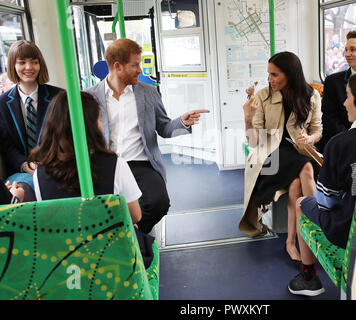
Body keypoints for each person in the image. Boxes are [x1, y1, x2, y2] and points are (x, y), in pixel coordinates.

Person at [86, 38, 209, 234]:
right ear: (117, 66)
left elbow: (165, 128)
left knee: (159, 203)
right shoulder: (89, 96)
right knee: (99, 211)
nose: (140, 70)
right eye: (135, 65)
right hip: (106, 163)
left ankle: (132, 237)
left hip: (141, 162)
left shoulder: (149, 93)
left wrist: (183, 122)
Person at [288, 69, 356, 296]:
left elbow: (325, 204)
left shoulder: (339, 144)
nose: (344, 103)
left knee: (302, 202)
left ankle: (309, 279)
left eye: (347, 96)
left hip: (348, 233)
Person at [240, 51, 322, 263]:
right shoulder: (262, 96)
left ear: (291, 74)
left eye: (275, 75)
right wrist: (248, 119)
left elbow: (317, 130)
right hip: (271, 153)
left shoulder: (312, 96)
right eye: (269, 75)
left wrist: (310, 139)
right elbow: (254, 143)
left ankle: (291, 243)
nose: (270, 80)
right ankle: (318, 229)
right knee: (306, 169)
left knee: (296, 187)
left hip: (299, 150)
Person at [29, 91, 142, 224]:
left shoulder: (40, 174)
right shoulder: (115, 165)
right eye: (99, 119)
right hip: (109, 242)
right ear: (91, 127)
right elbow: (135, 215)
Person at [0, 40, 61, 192]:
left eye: (34, 62)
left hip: (56, 167)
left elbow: (65, 137)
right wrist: (25, 165)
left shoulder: (58, 97)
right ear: (13, 66)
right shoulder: (3, 103)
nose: (29, 67)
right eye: (22, 62)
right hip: (21, 171)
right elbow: (6, 146)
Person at [316, 30, 356, 153]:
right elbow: (329, 118)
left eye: (352, 49)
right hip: (343, 140)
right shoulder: (333, 81)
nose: (347, 54)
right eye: (346, 50)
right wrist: (351, 138)